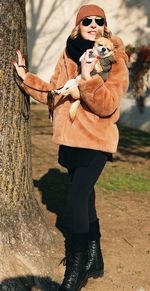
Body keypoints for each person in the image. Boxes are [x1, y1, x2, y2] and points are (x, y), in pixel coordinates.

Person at [13, 4, 129, 291]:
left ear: (104, 25)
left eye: (98, 20)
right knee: (85, 200)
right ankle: (95, 259)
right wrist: (25, 76)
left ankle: (76, 268)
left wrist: (88, 79)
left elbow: (109, 105)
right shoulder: (68, 52)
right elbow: (53, 93)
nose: (93, 24)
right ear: (79, 26)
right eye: (86, 20)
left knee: (76, 200)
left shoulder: (114, 59)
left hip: (95, 142)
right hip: (70, 141)